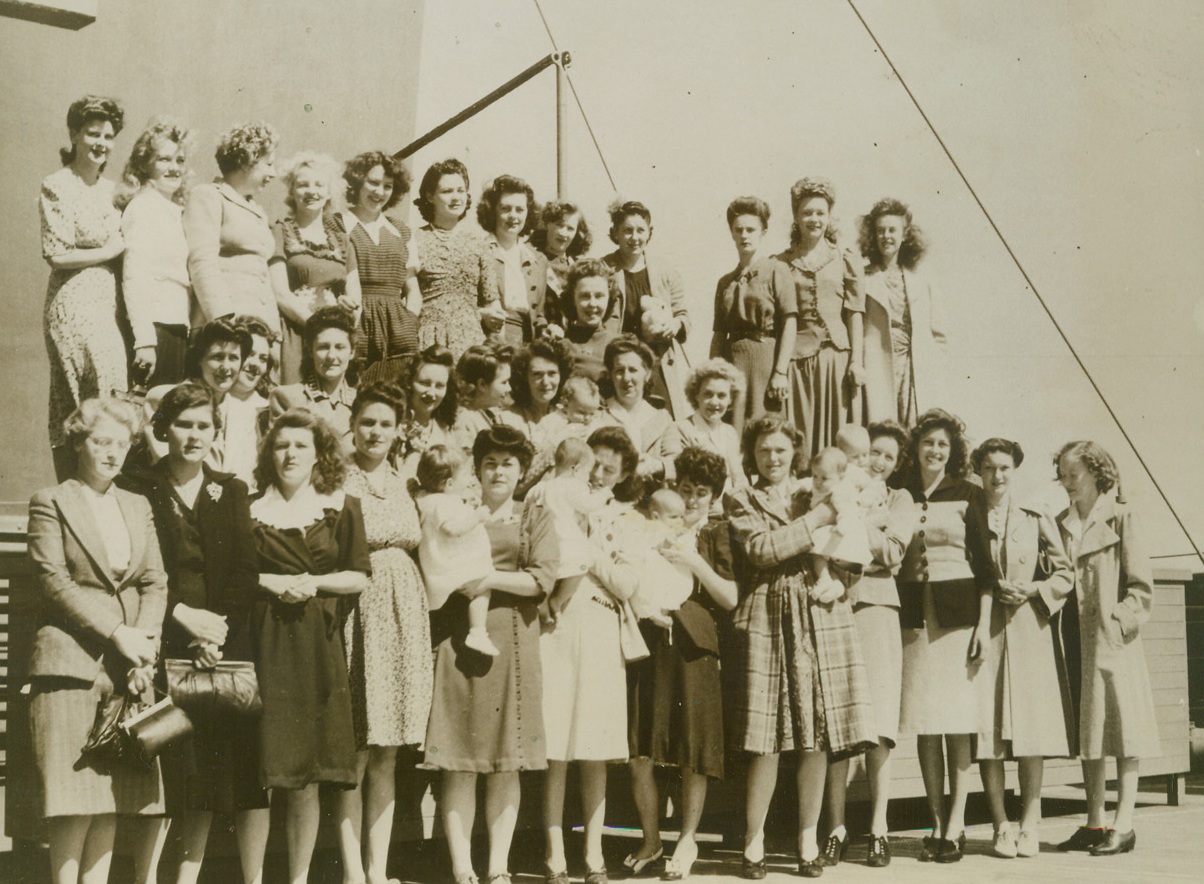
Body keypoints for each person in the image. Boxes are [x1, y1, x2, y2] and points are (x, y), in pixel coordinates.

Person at [128, 384, 270, 884]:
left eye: (203, 426)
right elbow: (136, 570)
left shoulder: (229, 490)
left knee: (223, 770)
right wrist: (180, 617)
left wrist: (215, 633)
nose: (193, 435)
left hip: (222, 649)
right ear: (164, 428)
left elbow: (244, 572)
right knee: (170, 770)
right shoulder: (138, 486)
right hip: (161, 640)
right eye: (184, 424)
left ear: (216, 432)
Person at [726, 417, 876, 877]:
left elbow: (851, 543)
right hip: (768, 618)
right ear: (752, 454)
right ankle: (753, 842)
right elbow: (761, 549)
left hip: (818, 614)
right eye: (764, 450)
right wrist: (816, 520)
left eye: (781, 450)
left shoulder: (815, 487)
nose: (773, 458)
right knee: (766, 741)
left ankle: (807, 841)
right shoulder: (741, 498)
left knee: (815, 736)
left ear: (795, 452)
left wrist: (844, 582)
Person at [26, 397, 166, 884]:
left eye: (122, 444)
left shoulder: (137, 504)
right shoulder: (52, 500)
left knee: (112, 796)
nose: (112, 453)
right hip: (71, 661)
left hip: (128, 667)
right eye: (101, 441)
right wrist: (118, 632)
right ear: (78, 441)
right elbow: (53, 580)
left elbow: (154, 581)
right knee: (71, 797)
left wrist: (146, 642)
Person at [423, 425, 558, 884]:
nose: (498, 471)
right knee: (459, 761)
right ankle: (463, 869)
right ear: (476, 470)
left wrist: (488, 580)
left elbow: (542, 579)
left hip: (513, 643)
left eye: (508, 464)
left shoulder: (533, 515)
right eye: (490, 463)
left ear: (521, 472)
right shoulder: (457, 511)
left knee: (506, 760)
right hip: (459, 639)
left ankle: (498, 867)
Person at [249, 408, 371, 884]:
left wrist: (312, 584)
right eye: (281, 445)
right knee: (265, 769)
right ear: (269, 453)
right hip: (267, 643)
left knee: (305, 775)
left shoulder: (341, 507)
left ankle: (298, 878)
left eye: (301, 445)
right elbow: (238, 573)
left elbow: (358, 574)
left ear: (319, 453)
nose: (290, 454)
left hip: (318, 646)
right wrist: (276, 582)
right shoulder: (251, 508)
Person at [333, 383, 433, 884]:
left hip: (402, 611)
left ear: (398, 432)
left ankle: (379, 870)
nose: (375, 432)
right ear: (352, 424)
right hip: (356, 608)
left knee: (388, 752)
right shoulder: (336, 479)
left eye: (385, 424)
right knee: (355, 748)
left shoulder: (401, 479)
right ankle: (353, 872)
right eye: (367, 422)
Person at [624, 447, 738, 880]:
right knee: (641, 750)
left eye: (701, 493)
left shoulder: (716, 534)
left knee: (693, 751)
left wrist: (694, 562)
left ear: (713, 497)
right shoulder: (648, 527)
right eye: (685, 489)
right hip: (650, 642)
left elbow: (729, 597)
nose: (691, 501)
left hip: (694, 647)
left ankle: (687, 838)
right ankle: (651, 840)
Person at [894, 409, 997, 863]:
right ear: (915, 447)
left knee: (956, 723)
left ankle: (957, 823)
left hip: (959, 620)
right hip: (913, 618)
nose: (935, 451)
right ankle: (935, 821)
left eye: (943, 444)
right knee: (924, 723)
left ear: (952, 452)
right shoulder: (899, 491)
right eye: (928, 442)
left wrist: (983, 628)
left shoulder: (968, 493)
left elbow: (986, 567)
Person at [542, 426, 644, 884]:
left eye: (610, 468)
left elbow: (626, 584)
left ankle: (593, 853)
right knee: (557, 744)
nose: (599, 474)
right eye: (595, 464)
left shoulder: (624, 518)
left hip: (602, 625)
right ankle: (554, 853)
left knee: (594, 747)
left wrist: (589, 550)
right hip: (558, 627)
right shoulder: (558, 499)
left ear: (622, 476)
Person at [1053, 441, 1160, 856]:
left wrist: (1117, 623)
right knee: (1090, 730)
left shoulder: (1122, 516)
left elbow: (1141, 588)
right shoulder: (1062, 522)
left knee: (1122, 729)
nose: (1066, 483)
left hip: (1112, 643)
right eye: (1061, 475)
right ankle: (1095, 822)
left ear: (1097, 475)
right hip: (1074, 640)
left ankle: (1125, 824)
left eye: (1073, 475)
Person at [969, 438, 1074, 859]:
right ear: (978, 469)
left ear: (1015, 471)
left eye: (1005, 468)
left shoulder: (1035, 515)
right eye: (990, 467)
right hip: (985, 632)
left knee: (1030, 731)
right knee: (988, 734)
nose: (997, 476)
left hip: (1030, 630)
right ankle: (1001, 826)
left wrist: (1033, 588)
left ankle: (1030, 825)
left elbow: (1064, 574)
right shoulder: (969, 513)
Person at [820, 421, 915, 868]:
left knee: (878, 724)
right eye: (871, 452)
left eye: (887, 457)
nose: (875, 462)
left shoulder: (900, 500)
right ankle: (835, 827)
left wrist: (856, 522)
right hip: (835, 604)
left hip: (877, 607)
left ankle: (878, 827)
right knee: (836, 723)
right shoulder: (837, 482)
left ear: (896, 466)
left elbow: (892, 553)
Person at [40, 95, 128, 478]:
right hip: (72, 302)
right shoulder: (57, 185)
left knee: (111, 393)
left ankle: (103, 488)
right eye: (92, 133)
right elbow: (56, 254)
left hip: (106, 302)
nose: (100, 143)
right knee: (80, 401)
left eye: (108, 136)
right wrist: (109, 250)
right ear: (74, 134)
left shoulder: (114, 191)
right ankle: (74, 489)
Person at [774, 177, 866, 456]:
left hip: (836, 362)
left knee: (839, 443)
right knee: (800, 439)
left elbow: (855, 314)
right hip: (797, 364)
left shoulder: (846, 258)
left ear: (829, 216)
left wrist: (857, 361)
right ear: (796, 217)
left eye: (820, 213)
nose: (814, 219)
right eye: (807, 212)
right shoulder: (780, 263)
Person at [710, 197, 796, 436]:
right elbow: (718, 335)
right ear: (732, 233)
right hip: (733, 363)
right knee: (731, 430)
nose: (745, 235)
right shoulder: (725, 282)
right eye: (739, 230)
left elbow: (790, 322)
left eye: (751, 229)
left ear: (763, 232)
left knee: (766, 430)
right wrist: (714, 375)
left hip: (765, 362)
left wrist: (780, 372)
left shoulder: (777, 269)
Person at [118, 118, 192, 389]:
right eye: (164, 160)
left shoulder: (173, 210)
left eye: (180, 160)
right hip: (154, 330)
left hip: (176, 325)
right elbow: (134, 277)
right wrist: (145, 340)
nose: (174, 168)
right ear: (145, 163)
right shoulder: (144, 207)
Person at [270, 151, 356, 385]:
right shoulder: (280, 231)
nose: (311, 191)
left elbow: (355, 298)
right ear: (292, 191)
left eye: (319, 185)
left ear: (329, 193)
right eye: (302, 185)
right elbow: (279, 293)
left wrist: (349, 312)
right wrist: (315, 327)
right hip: (296, 332)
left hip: (333, 340)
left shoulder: (342, 240)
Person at [859, 198, 946, 426]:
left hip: (916, 362)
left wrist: (935, 364)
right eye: (880, 231)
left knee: (918, 425)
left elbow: (938, 332)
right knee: (882, 425)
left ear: (905, 234)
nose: (886, 236)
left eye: (892, 230)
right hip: (879, 360)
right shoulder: (864, 276)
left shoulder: (922, 276)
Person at [183, 123, 279, 329]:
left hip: (261, 325)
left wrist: (274, 332)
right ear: (247, 161)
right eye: (269, 164)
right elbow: (202, 261)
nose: (275, 173)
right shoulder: (208, 195)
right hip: (227, 326)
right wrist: (222, 319)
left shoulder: (257, 211)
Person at [601, 200, 690, 418]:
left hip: (656, 365)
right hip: (619, 366)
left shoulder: (665, 271)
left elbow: (683, 315)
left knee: (661, 424)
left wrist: (675, 324)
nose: (634, 237)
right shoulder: (603, 268)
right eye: (627, 231)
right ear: (616, 233)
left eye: (641, 230)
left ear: (650, 233)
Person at [340, 150, 420, 383]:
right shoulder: (338, 223)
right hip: (356, 321)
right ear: (356, 183)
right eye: (373, 183)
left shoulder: (401, 231)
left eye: (387, 186)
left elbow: (413, 289)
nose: (379, 192)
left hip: (398, 329)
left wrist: (410, 321)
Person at [137, 317, 254, 473]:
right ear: (200, 359)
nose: (226, 367)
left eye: (233, 358)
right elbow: (168, 463)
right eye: (217, 357)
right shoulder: (163, 397)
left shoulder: (242, 411)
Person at [412, 158, 502, 357]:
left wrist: (492, 315)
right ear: (429, 196)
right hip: (428, 341)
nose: (456, 198)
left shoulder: (479, 244)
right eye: (447, 191)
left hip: (470, 342)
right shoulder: (414, 240)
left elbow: (491, 301)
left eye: (461, 190)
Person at [415, 444, 498, 657]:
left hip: (440, 566)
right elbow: (452, 529)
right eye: (467, 474)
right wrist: (476, 517)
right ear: (450, 484)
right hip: (454, 566)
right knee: (483, 585)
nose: (471, 479)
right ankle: (478, 631)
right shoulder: (441, 502)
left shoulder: (428, 499)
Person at [269, 305, 358, 441]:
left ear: (352, 352)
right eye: (323, 347)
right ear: (310, 351)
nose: (331, 356)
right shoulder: (286, 398)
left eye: (340, 347)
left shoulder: (361, 402)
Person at [479, 174, 548, 344]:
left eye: (519, 209)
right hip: (489, 341)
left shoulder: (538, 260)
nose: (513, 216)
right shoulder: (478, 251)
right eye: (505, 208)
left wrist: (545, 328)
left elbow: (539, 314)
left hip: (527, 342)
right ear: (492, 210)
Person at [660, 358, 747, 491]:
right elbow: (673, 475)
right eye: (708, 394)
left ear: (730, 399)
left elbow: (739, 479)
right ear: (696, 395)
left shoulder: (730, 433)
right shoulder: (679, 429)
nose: (714, 402)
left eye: (722, 396)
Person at [601, 335, 672, 484]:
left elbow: (677, 462)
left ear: (647, 374)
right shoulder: (599, 413)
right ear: (610, 376)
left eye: (633, 370)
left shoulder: (662, 419)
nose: (626, 378)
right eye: (619, 371)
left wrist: (656, 466)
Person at [224, 315, 275, 489]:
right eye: (250, 354)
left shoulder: (268, 409)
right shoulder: (212, 401)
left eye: (263, 359)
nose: (256, 365)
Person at [529, 199, 593, 331]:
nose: (564, 233)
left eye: (570, 228)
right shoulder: (532, 260)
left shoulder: (578, 266)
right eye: (559, 225)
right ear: (547, 224)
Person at [398, 345, 459, 478]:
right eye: (425, 383)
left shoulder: (447, 433)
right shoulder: (392, 425)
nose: (432, 393)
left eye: (439, 386)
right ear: (409, 382)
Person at [558, 259, 622, 381]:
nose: (592, 304)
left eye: (599, 296)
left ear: (609, 298)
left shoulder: (619, 344)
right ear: (573, 299)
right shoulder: (562, 346)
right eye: (585, 296)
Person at [501, 337, 573, 439]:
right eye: (537, 374)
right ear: (525, 377)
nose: (545, 382)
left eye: (552, 373)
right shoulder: (508, 420)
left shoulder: (567, 415)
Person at [451, 344, 514, 452]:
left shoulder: (489, 413)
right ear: (482, 385)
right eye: (504, 382)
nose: (509, 388)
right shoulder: (463, 423)